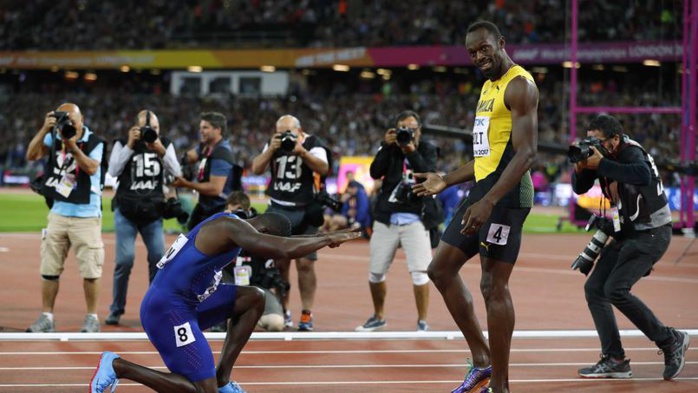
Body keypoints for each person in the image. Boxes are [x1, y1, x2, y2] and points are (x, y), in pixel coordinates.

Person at [89, 211, 361, 393]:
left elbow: (281, 242)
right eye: (263, 238)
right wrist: (326, 238)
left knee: (254, 297)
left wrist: (317, 238)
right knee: (201, 391)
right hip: (166, 309)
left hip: (188, 303)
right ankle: (118, 366)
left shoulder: (238, 229)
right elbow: (282, 248)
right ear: (263, 229)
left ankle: (223, 380)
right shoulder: (229, 227)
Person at [412, 21, 539, 393]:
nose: (479, 57)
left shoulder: (520, 85)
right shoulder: (487, 87)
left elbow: (527, 153)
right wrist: (447, 180)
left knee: (492, 286)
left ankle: (500, 386)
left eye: (485, 49)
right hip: (483, 192)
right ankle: (482, 361)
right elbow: (487, 156)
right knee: (440, 269)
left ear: (501, 43)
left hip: (507, 198)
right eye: (472, 53)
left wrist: (489, 200)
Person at [570, 114, 689, 380]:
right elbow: (580, 188)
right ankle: (615, 359)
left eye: (598, 141)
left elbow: (642, 175)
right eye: (590, 140)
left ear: (614, 139)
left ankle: (670, 340)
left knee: (615, 289)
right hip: (627, 231)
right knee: (595, 289)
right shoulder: (601, 155)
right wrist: (581, 167)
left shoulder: (632, 152)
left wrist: (602, 163)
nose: (593, 146)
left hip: (653, 233)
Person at [25, 103, 106, 333]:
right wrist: (44, 129)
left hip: (87, 214)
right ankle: (46, 317)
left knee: (91, 270)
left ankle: (92, 318)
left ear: (82, 119)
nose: (69, 124)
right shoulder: (54, 137)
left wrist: (72, 146)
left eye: (72, 120)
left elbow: (91, 168)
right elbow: (32, 154)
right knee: (49, 267)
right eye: (64, 120)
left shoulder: (95, 142)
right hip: (59, 212)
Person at [355, 110, 438, 333]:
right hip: (387, 217)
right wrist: (385, 145)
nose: (407, 133)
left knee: (421, 271)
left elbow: (429, 174)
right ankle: (378, 316)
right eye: (403, 129)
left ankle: (422, 321)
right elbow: (374, 173)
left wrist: (410, 150)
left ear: (419, 130)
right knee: (376, 271)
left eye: (411, 129)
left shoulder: (427, 148)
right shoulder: (389, 148)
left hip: (416, 218)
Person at [250, 114, 331, 331]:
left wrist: (301, 151)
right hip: (278, 209)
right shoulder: (273, 144)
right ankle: (284, 310)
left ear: (299, 130)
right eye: (280, 132)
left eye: (288, 132)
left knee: (305, 264)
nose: (284, 136)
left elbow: (323, 168)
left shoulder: (313, 144)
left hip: (305, 210)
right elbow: (256, 169)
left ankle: (306, 313)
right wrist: (270, 149)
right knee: (280, 264)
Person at [105, 109, 182, 325]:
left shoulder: (165, 144)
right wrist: (130, 145)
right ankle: (116, 308)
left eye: (155, 129)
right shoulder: (123, 143)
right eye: (146, 128)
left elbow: (177, 172)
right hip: (126, 211)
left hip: (153, 212)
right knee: (124, 260)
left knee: (159, 259)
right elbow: (112, 171)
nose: (151, 132)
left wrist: (161, 150)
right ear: (135, 128)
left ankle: (155, 309)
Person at [172, 112, 238, 230]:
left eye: (205, 127)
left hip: (218, 210)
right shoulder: (206, 146)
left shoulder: (221, 154)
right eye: (200, 127)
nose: (201, 131)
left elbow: (215, 189)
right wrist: (183, 162)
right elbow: (190, 156)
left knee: (204, 245)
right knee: (189, 238)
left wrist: (186, 183)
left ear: (218, 130)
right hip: (205, 206)